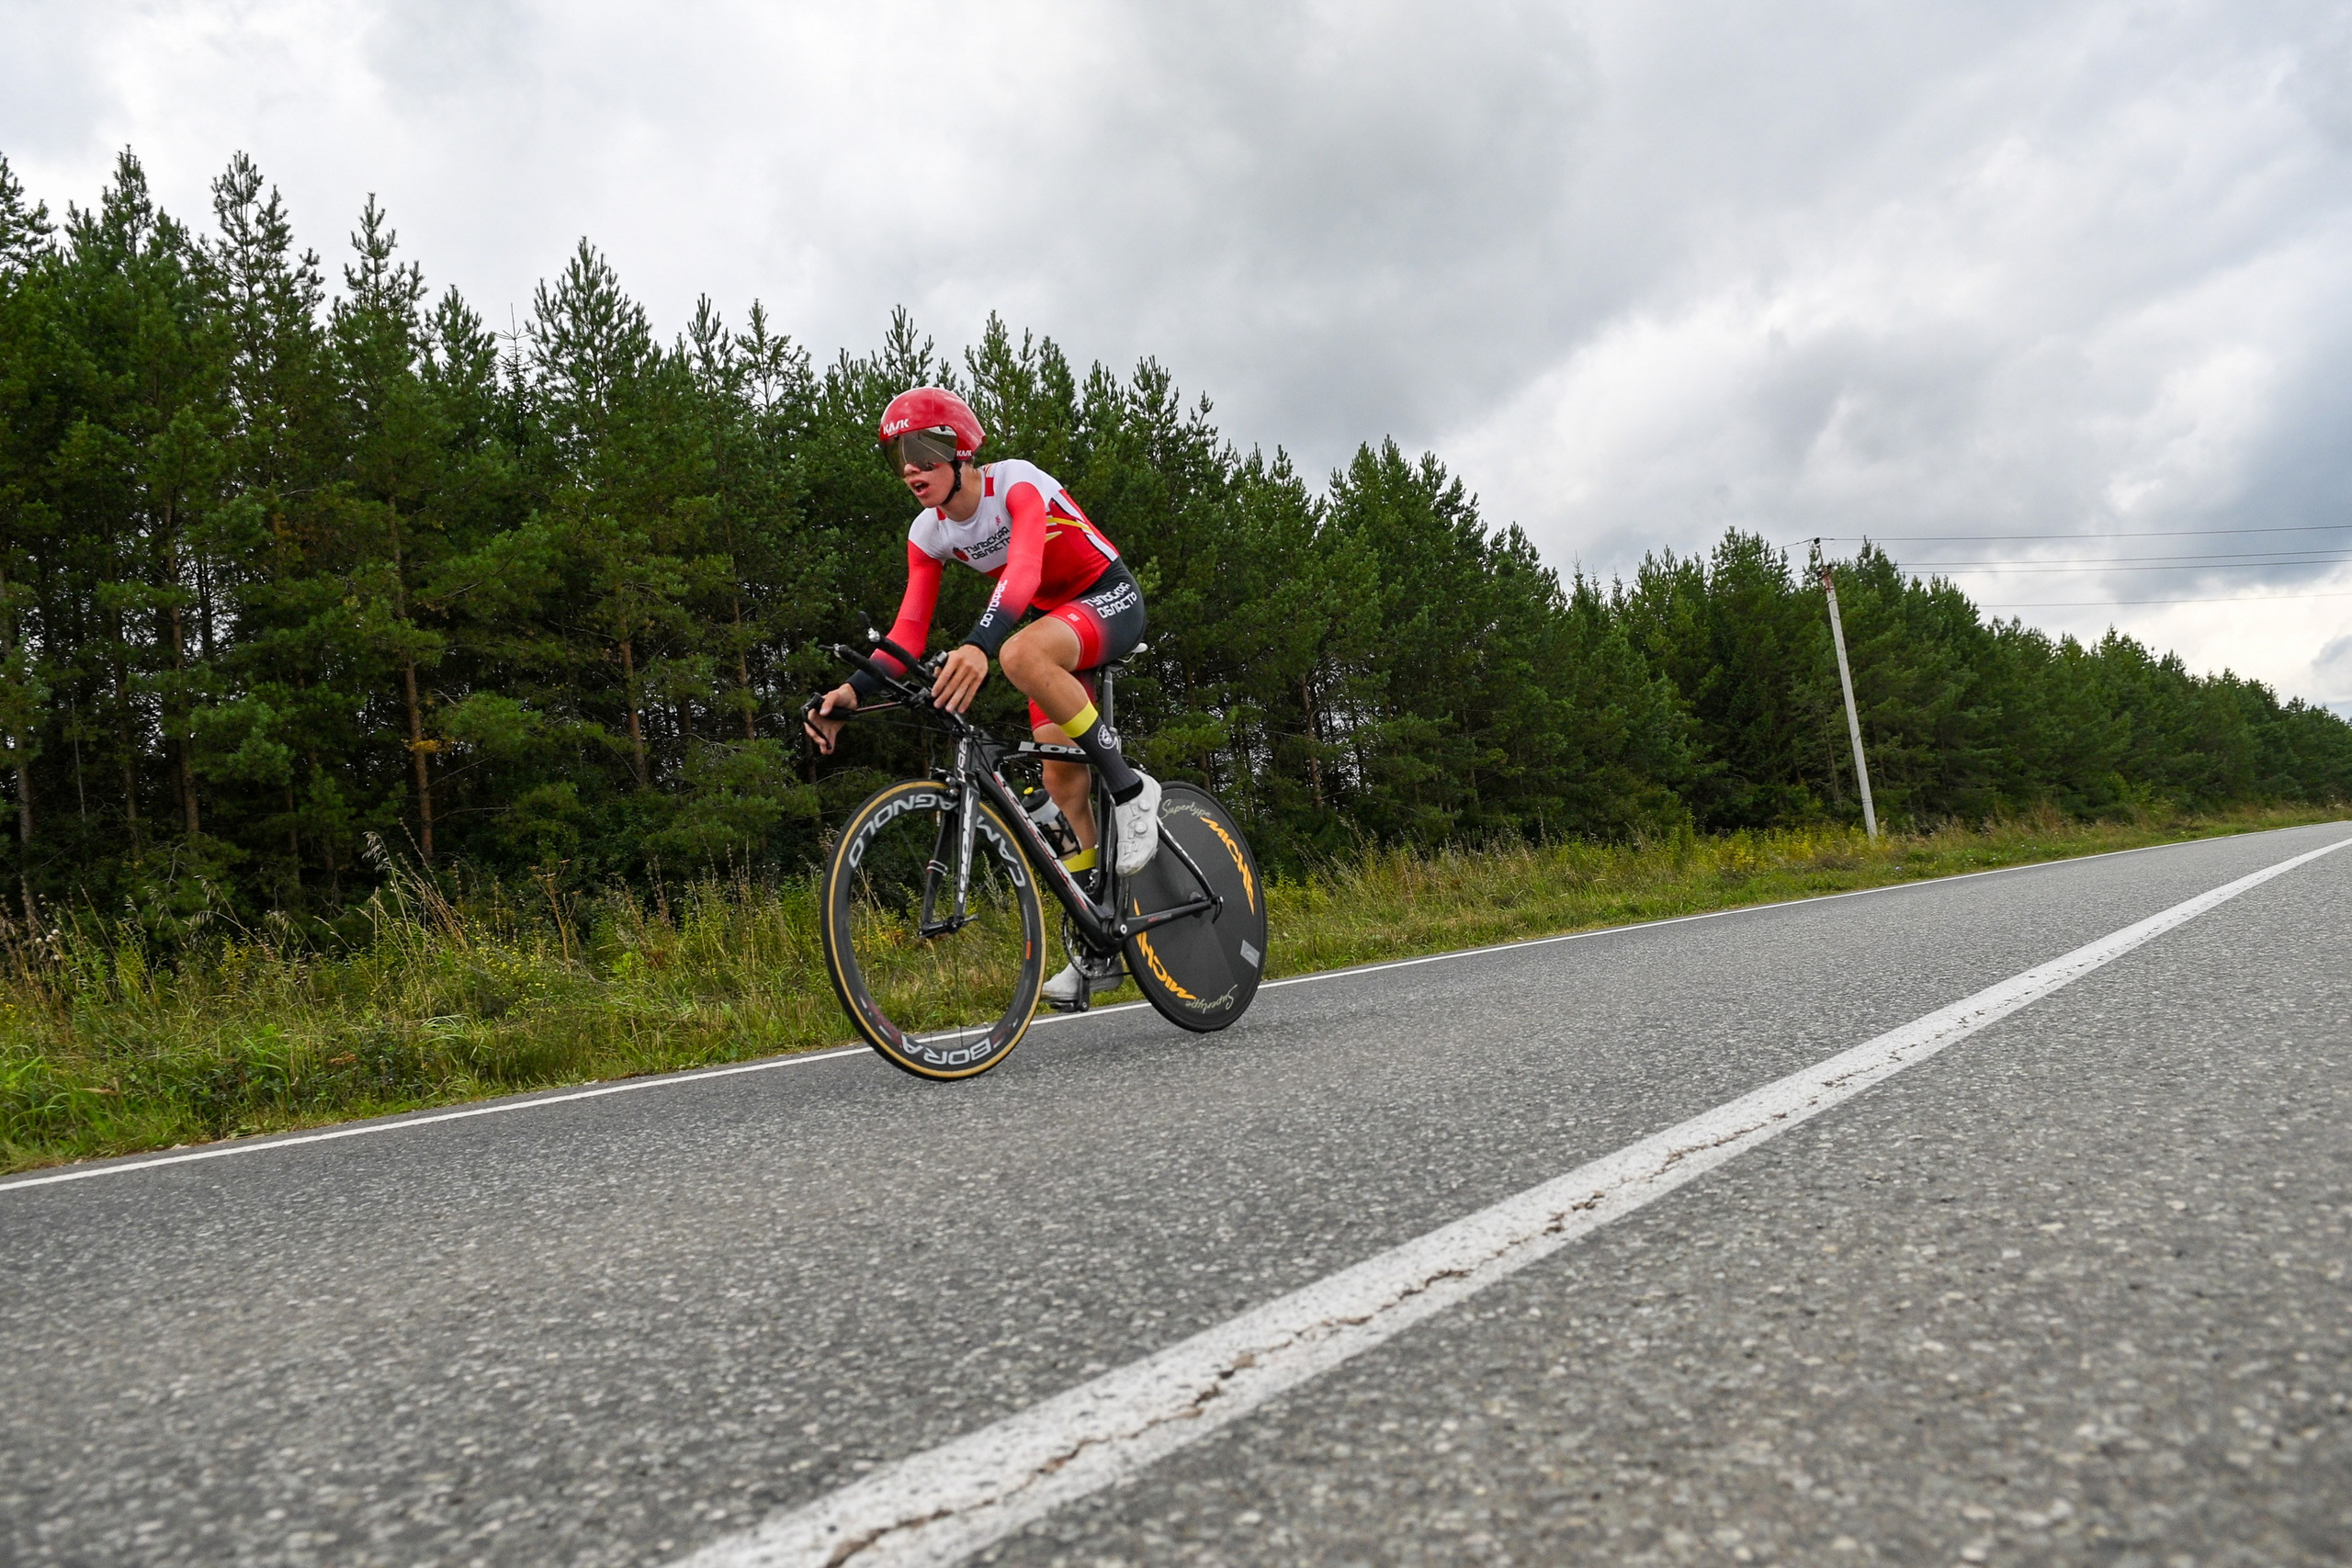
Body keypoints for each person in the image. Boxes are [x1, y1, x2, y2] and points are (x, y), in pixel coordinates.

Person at [803, 386, 1159, 1007]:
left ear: (961, 449)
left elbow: (1022, 573)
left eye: (922, 450)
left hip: (1108, 597)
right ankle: (1100, 944)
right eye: (898, 457)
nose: (910, 467)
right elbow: (907, 632)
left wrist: (978, 644)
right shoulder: (928, 532)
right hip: (1055, 626)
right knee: (1063, 790)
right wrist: (851, 694)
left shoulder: (1014, 484)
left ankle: (1131, 790)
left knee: (1019, 652)